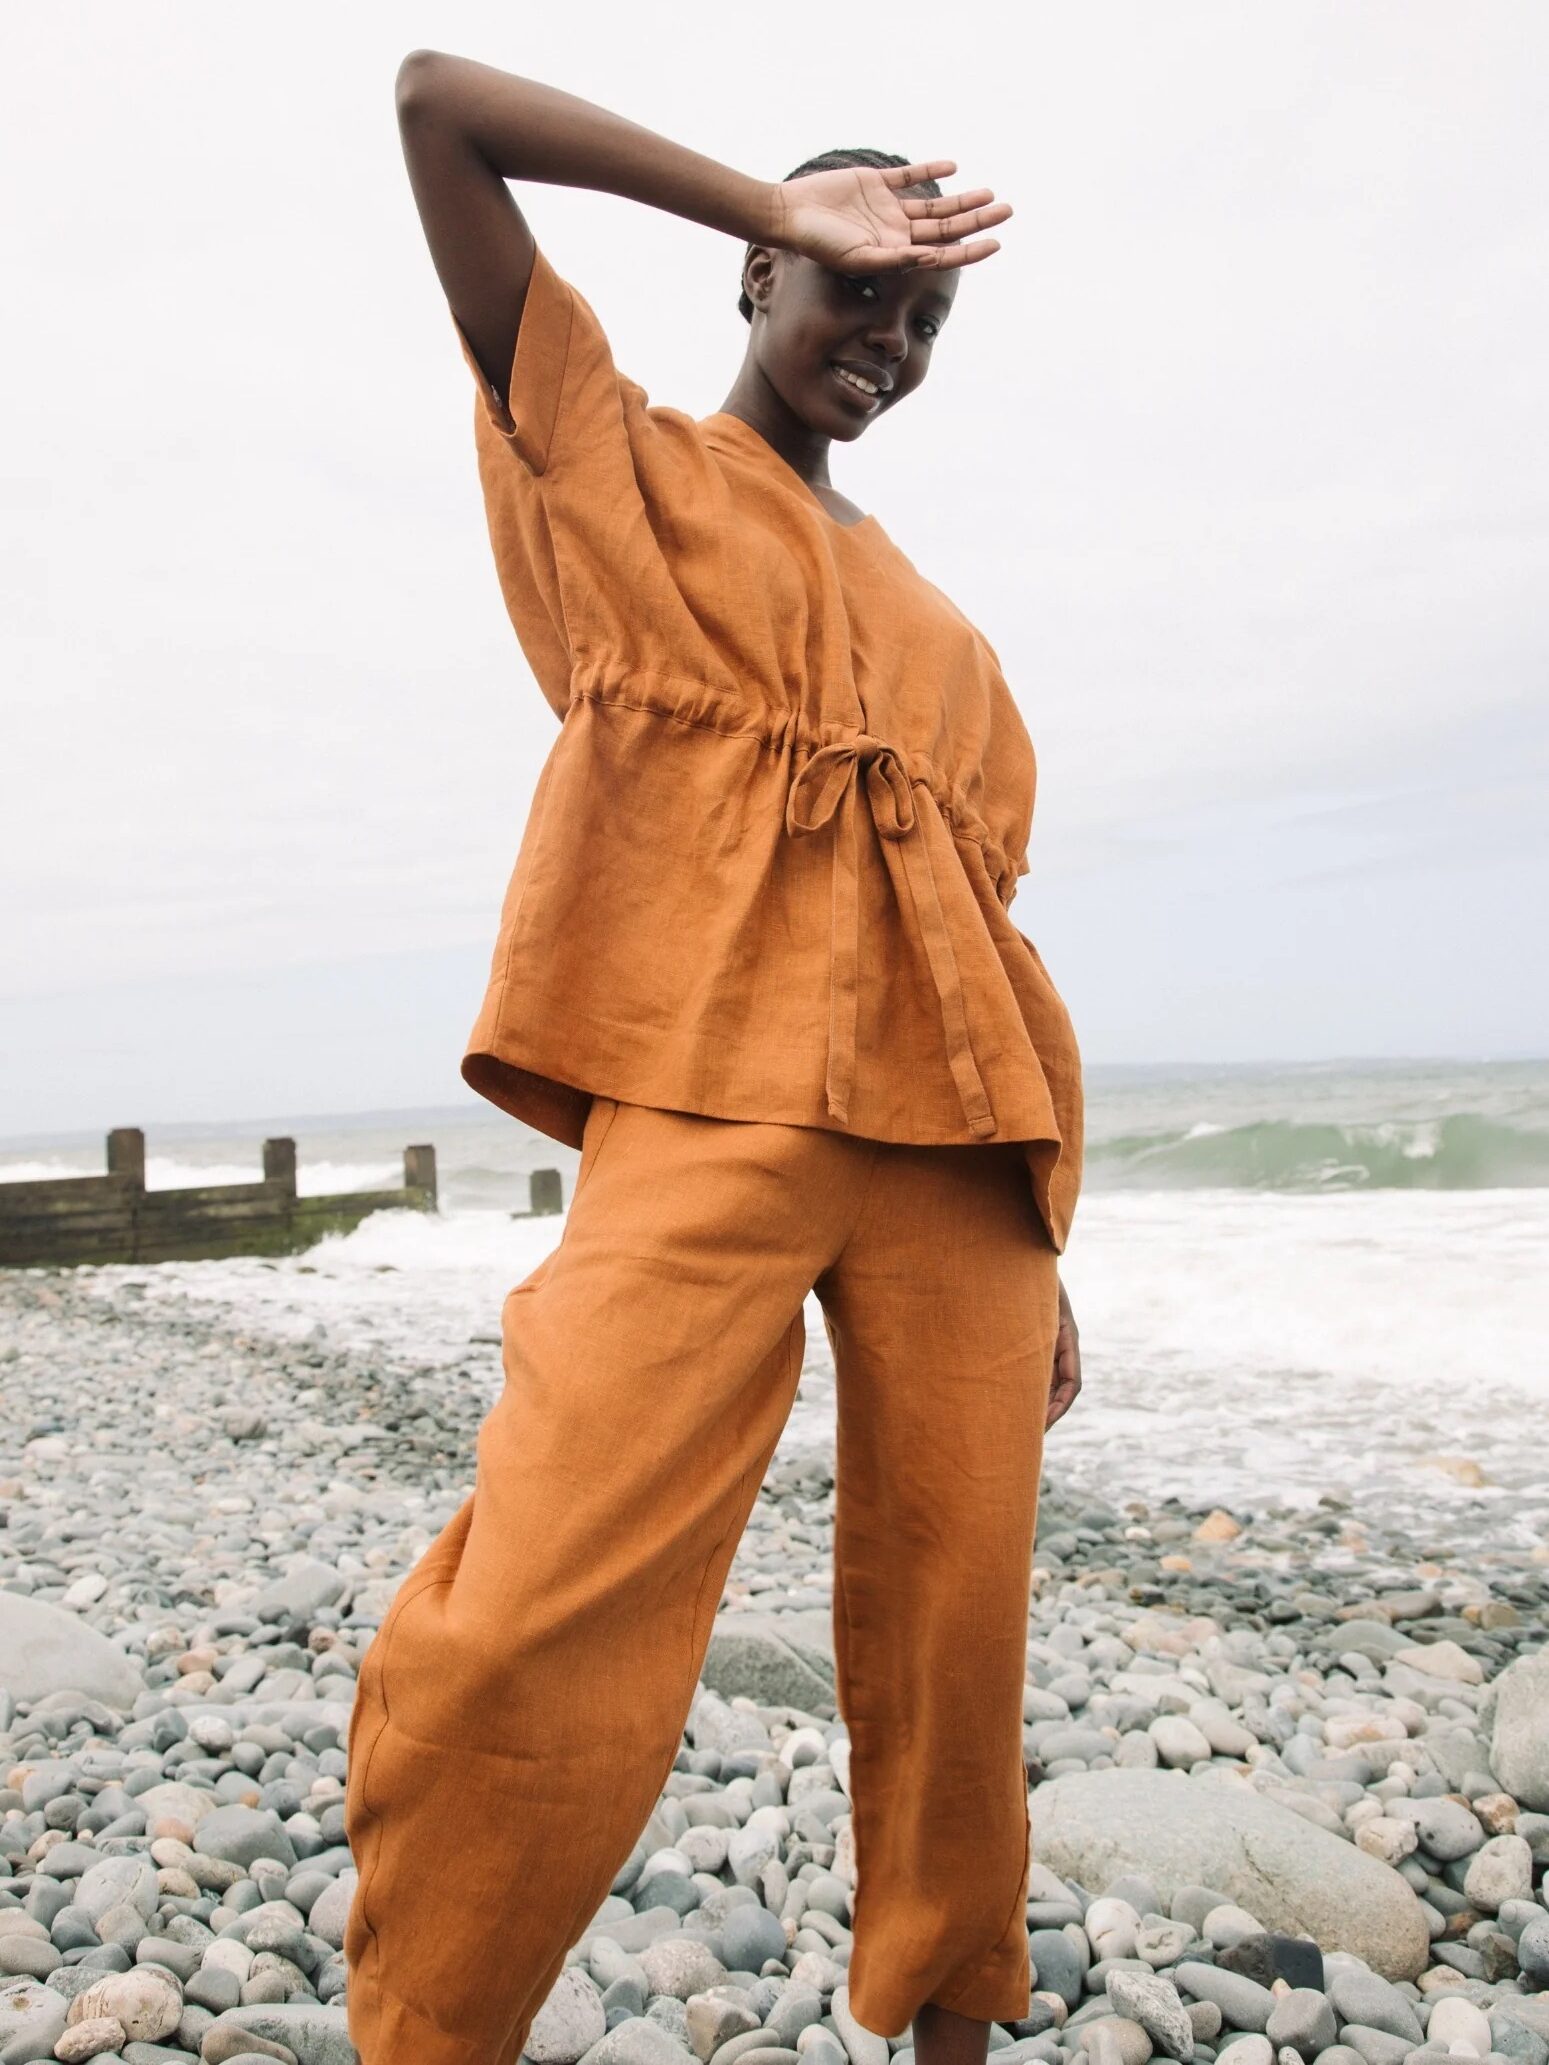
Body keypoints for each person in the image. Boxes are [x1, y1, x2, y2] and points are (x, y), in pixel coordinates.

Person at [343, 48, 1087, 2065]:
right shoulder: (620, 461)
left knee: (960, 1648)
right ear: (759, 281)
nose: (889, 330)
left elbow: (979, 944)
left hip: (960, 1170)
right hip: (702, 1104)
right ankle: (424, 2028)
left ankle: (951, 2030)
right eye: (858, 286)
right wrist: (781, 197)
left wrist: (1048, 1249)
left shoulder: (948, 637)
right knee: (529, 1608)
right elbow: (437, 105)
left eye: (925, 316)